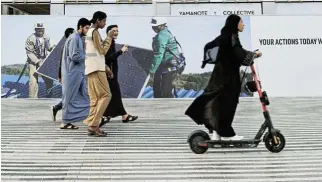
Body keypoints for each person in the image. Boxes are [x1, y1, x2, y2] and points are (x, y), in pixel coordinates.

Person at [185, 14, 262, 141]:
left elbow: (233, 52)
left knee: (217, 102)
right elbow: (240, 54)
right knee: (228, 103)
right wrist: (255, 54)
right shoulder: (232, 37)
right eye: (241, 22)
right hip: (229, 77)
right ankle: (227, 134)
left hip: (219, 76)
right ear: (235, 24)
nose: (243, 24)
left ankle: (216, 132)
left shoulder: (223, 36)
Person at [83, 11, 114, 137]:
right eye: (104, 21)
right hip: (96, 69)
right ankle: (94, 125)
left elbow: (93, 53)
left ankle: (91, 124)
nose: (105, 23)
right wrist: (109, 38)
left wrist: (105, 67)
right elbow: (102, 51)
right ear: (98, 20)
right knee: (106, 95)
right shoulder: (95, 32)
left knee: (95, 98)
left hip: (91, 68)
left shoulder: (89, 32)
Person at [100, 25, 138, 126]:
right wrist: (121, 51)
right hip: (109, 74)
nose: (116, 32)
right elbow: (107, 58)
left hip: (112, 74)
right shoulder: (108, 43)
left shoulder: (111, 42)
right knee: (115, 94)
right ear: (108, 32)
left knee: (114, 95)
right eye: (113, 31)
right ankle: (121, 115)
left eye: (117, 31)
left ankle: (114, 115)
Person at [60, 18, 91, 129]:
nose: (88, 30)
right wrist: (88, 56)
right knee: (69, 98)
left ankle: (90, 117)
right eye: (86, 28)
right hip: (72, 72)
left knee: (85, 95)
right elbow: (74, 56)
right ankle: (65, 121)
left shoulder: (77, 38)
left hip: (77, 72)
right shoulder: (74, 38)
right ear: (80, 27)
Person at [150, 17, 184, 98]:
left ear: (162, 25)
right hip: (170, 64)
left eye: (156, 26)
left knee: (165, 92)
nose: (153, 28)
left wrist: (152, 70)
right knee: (163, 90)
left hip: (169, 65)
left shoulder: (161, 36)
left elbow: (158, 55)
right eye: (153, 26)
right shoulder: (166, 33)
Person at [25, 22, 55, 98]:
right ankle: (33, 99)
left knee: (49, 79)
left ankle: (49, 97)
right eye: (38, 30)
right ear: (35, 30)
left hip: (44, 60)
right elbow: (29, 52)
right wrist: (38, 61)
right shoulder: (31, 38)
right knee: (33, 81)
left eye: (42, 30)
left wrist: (52, 48)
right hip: (33, 62)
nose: (40, 31)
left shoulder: (46, 37)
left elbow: (48, 48)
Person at [51, 27, 75, 122]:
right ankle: (57, 108)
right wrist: (60, 75)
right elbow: (62, 62)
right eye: (74, 33)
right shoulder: (67, 46)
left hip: (73, 74)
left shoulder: (72, 44)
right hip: (69, 74)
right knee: (70, 95)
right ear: (70, 35)